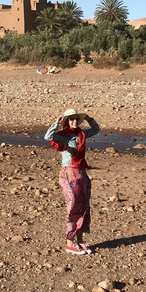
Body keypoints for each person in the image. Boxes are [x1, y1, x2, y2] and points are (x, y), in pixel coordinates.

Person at [44, 108, 100, 255]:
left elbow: (96, 129)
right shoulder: (62, 136)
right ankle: (70, 243)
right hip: (68, 172)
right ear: (67, 122)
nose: (74, 121)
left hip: (81, 171)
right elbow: (47, 137)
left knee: (83, 205)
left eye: (76, 119)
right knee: (73, 205)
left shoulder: (81, 133)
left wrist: (89, 118)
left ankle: (80, 241)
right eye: (71, 119)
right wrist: (55, 124)